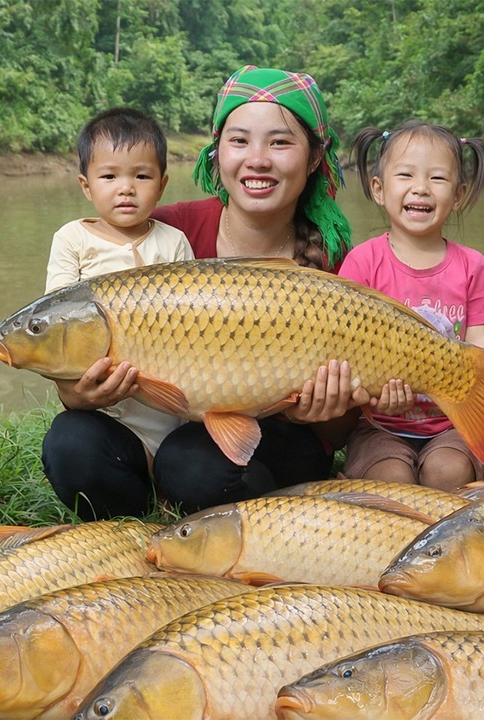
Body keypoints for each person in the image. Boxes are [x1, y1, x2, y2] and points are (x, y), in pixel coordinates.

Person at [42, 66, 366, 520]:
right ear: (216, 155)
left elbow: (345, 424)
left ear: (314, 158)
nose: (257, 159)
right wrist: (74, 393)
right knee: (71, 442)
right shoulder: (165, 229)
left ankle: (237, 506)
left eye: (280, 142)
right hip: (181, 424)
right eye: (238, 141)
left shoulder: (337, 257)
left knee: (191, 463)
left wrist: (319, 412)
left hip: (275, 439)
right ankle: (134, 519)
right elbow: (82, 319)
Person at [39, 107, 195, 519]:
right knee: (72, 444)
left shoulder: (174, 242)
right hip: (107, 415)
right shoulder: (72, 238)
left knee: (190, 460)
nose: (125, 189)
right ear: (86, 185)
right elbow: (56, 322)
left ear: (161, 185)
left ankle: (168, 486)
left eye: (141, 177)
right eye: (110, 177)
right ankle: (122, 512)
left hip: (172, 411)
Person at [337, 120, 484, 491]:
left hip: (453, 423)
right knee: (392, 481)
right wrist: (374, 395)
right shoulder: (361, 263)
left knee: (445, 473)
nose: (421, 188)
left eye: (437, 179)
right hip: (379, 425)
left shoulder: (473, 266)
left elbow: (481, 358)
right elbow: (345, 358)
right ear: (378, 189)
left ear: (459, 194)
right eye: (406, 175)